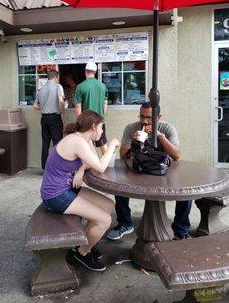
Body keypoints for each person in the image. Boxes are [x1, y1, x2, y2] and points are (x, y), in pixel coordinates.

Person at [40, 110, 119, 272]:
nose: (102, 132)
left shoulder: (82, 139)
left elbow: (90, 162)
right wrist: (111, 146)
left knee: (109, 205)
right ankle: (82, 253)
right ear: (94, 126)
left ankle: (83, 243)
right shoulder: (77, 141)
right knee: (104, 220)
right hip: (56, 195)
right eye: (102, 128)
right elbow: (100, 166)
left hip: (68, 188)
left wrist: (81, 169)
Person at [107, 102, 192, 241]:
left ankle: (180, 229)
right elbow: (123, 155)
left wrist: (160, 136)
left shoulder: (167, 128)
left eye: (149, 117)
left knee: (186, 191)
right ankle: (125, 223)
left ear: (159, 117)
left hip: (164, 171)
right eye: (141, 116)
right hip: (140, 169)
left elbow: (176, 155)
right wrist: (132, 141)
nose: (144, 121)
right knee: (119, 185)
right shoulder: (131, 127)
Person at [33, 70, 65, 170]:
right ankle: (57, 168)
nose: (58, 79)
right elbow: (61, 101)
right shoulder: (58, 86)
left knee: (45, 144)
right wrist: (62, 110)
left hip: (44, 118)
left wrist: (43, 107)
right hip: (55, 118)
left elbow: (35, 106)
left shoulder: (41, 89)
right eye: (58, 78)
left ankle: (45, 168)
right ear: (55, 77)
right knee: (57, 144)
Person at [74, 62, 108, 154]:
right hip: (99, 121)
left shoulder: (80, 87)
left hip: (86, 122)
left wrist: (79, 123)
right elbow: (105, 104)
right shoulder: (102, 86)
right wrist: (101, 117)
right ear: (95, 72)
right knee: (103, 145)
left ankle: (92, 166)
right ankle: (107, 166)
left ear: (85, 71)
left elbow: (78, 106)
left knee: (88, 147)